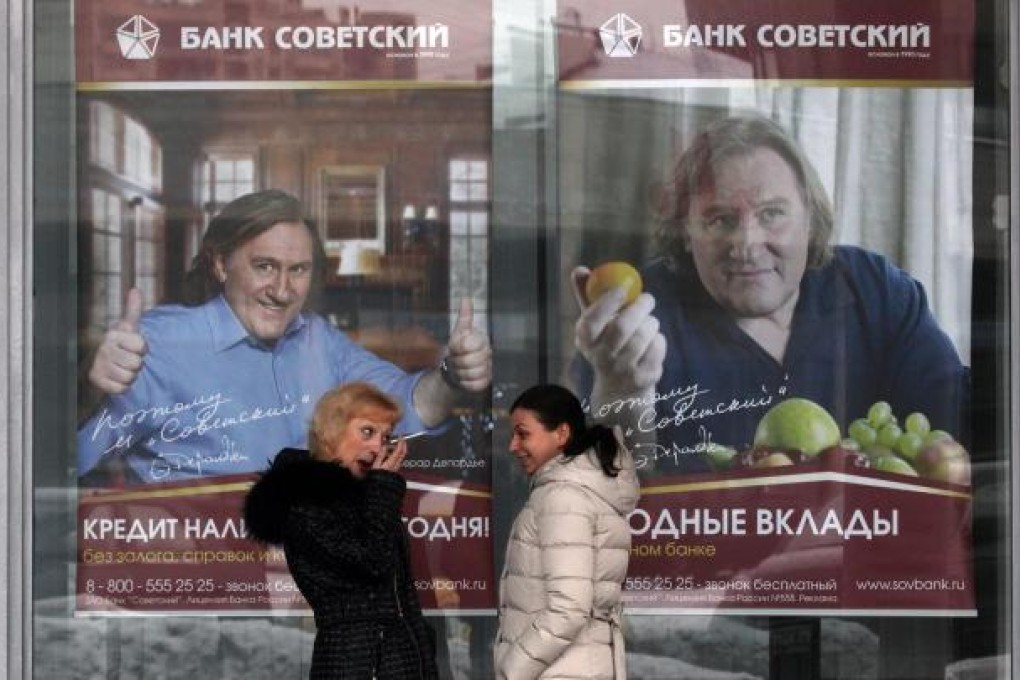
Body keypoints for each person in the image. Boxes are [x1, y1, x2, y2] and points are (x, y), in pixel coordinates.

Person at [571, 114, 969, 473]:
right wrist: (623, 394)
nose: (746, 243)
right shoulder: (634, 326)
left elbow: (960, 429)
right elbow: (612, 506)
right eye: (720, 219)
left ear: (810, 220)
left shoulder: (876, 291)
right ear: (686, 232)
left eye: (772, 214)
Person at [78, 189, 492, 483]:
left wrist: (453, 377)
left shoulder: (320, 340)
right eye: (264, 266)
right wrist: (90, 387)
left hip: (296, 577)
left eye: (298, 270)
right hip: (193, 574)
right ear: (221, 265)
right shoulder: (159, 343)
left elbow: (403, 406)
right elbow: (66, 465)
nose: (281, 290)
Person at [244, 382, 438, 679]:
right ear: (332, 432)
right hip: (357, 665)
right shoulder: (306, 499)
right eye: (367, 432)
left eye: (386, 436)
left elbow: (400, 599)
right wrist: (383, 489)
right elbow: (371, 562)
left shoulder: (366, 497)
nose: (378, 447)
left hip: (395, 661)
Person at [494, 384, 639, 680]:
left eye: (523, 434)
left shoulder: (564, 498)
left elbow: (569, 608)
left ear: (561, 434)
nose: (513, 446)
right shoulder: (576, 492)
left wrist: (514, 668)